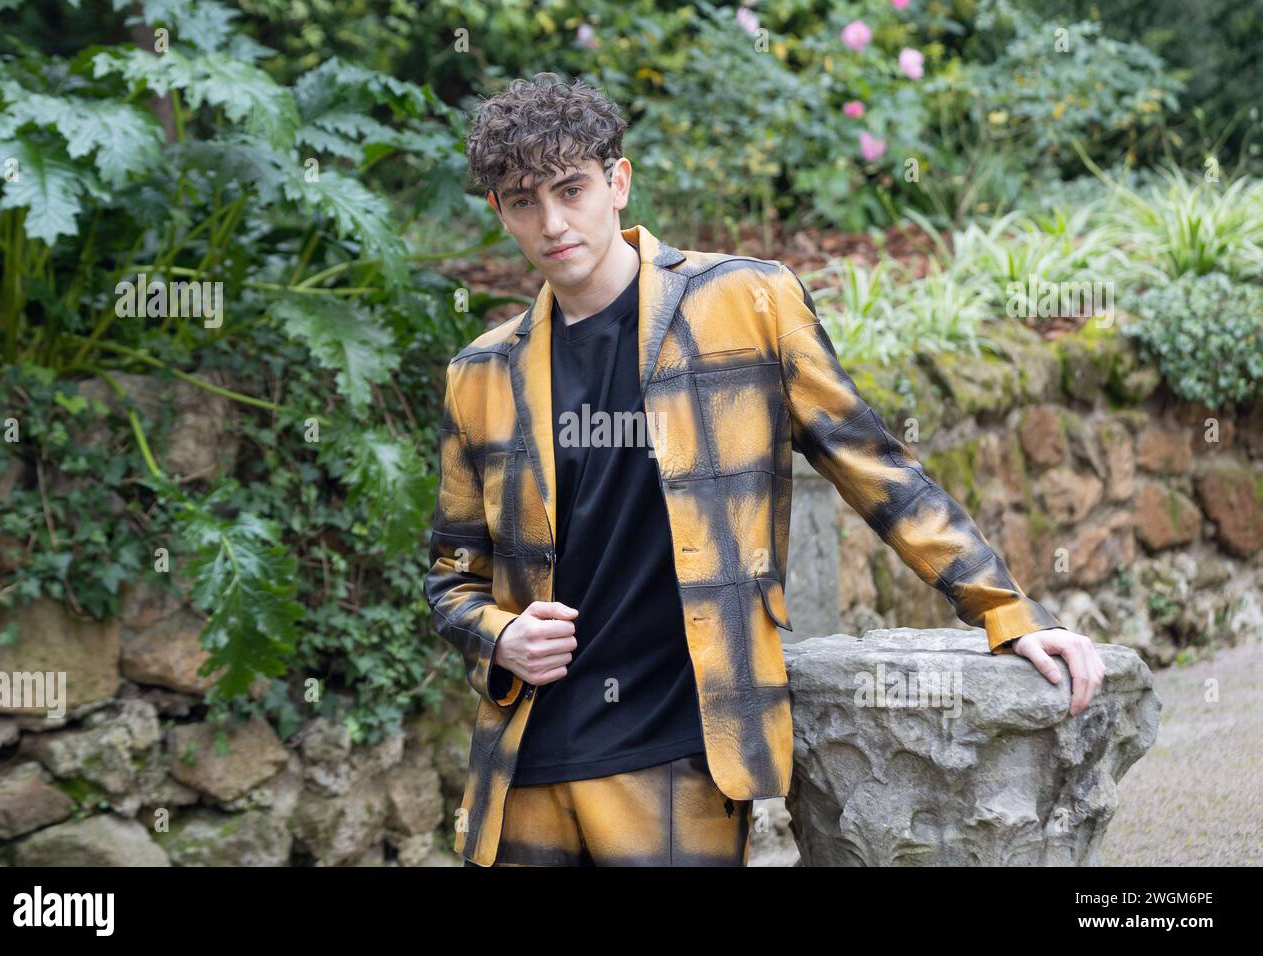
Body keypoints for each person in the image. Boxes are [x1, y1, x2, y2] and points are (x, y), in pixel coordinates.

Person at [424, 73, 1106, 867]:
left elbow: (874, 468)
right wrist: (499, 636)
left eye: (571, 189)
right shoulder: (480, 374)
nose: (552, 222)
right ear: (499, 212)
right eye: (522, 201)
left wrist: (1008, 610)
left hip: (679, 750)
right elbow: (451, 574)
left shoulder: (745, 302)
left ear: (618, 182)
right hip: (527, 765)